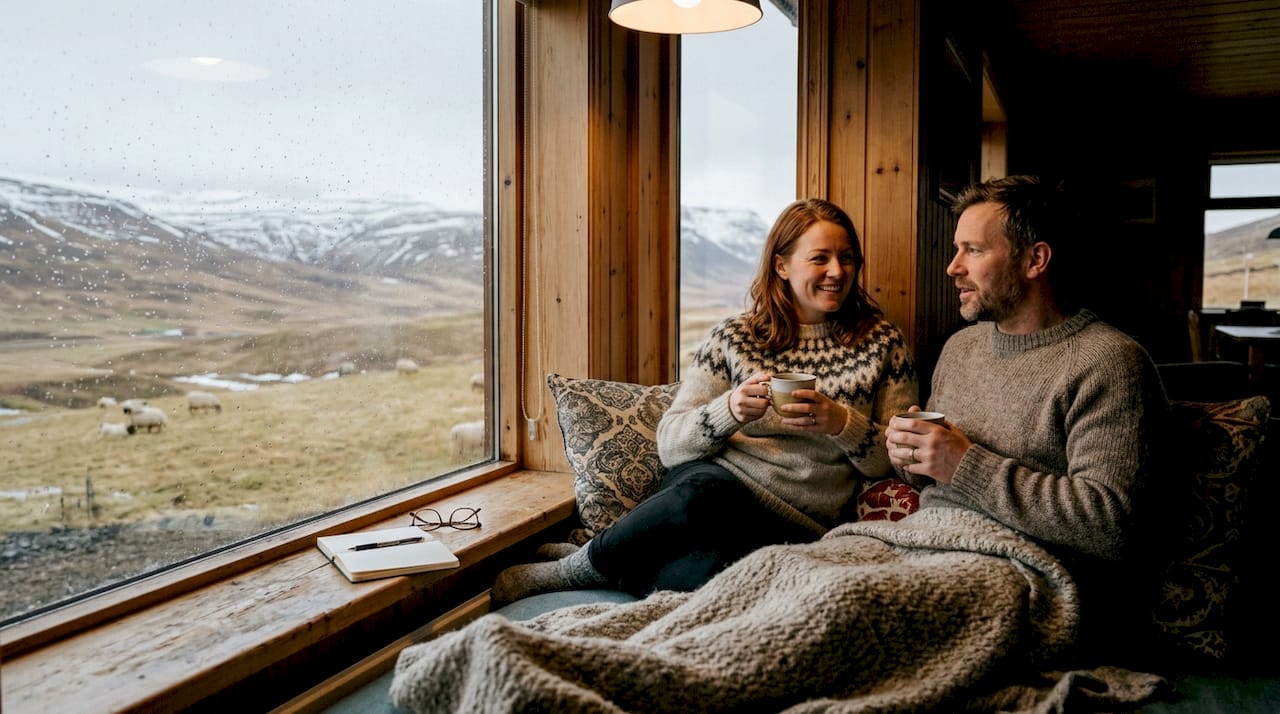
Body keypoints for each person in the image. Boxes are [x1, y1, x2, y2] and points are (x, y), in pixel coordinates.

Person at [491, 197, 918, 603]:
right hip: (710, 491)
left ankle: (601, 559)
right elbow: (670, 444)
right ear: (782, 265)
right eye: (820, 258)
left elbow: (896, 462)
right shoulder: (734, 337)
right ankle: (571, 573)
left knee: (707, 580)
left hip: (797, 521)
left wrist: (842, 422)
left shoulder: (882, 344)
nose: (837, 271)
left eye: (847, 258)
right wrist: (728, 410)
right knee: (704, 490)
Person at [884, 174, 1168, 656]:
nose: (953, 268)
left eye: (972, 250)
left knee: (834, 612)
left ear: (1035, 259)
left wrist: (964, 464)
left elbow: (1112, 524)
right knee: (782, 574)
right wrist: (911, 456)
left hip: (1029, 575)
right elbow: (933, 482)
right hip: (921, 543)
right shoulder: (960, 348)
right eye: (956, 250)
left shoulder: (1110, 362)